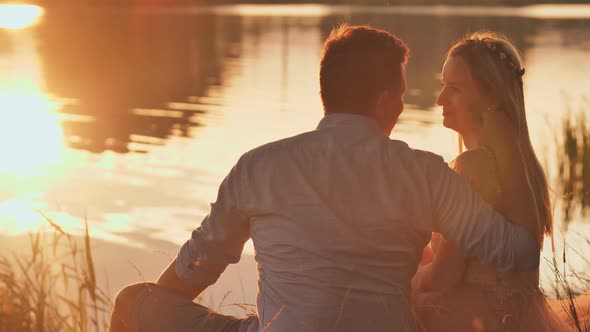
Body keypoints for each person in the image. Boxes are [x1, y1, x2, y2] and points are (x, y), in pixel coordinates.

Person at [109, 25, 541, 332]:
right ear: (386, 98)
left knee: (132, 303)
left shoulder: (258, 167)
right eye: (404, 95)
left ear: (326, 91)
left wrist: (161, 307)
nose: (404, 106)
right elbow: (517, 253)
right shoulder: (425, 173)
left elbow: (197, 265)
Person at [411, 31, 571, 331]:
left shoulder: (476, 166)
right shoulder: (523, 165)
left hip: (474, 320)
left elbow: (446, 276)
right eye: (443, 85)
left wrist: (408, 279)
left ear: (491, 95)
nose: (440, 98)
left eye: (455, 89)